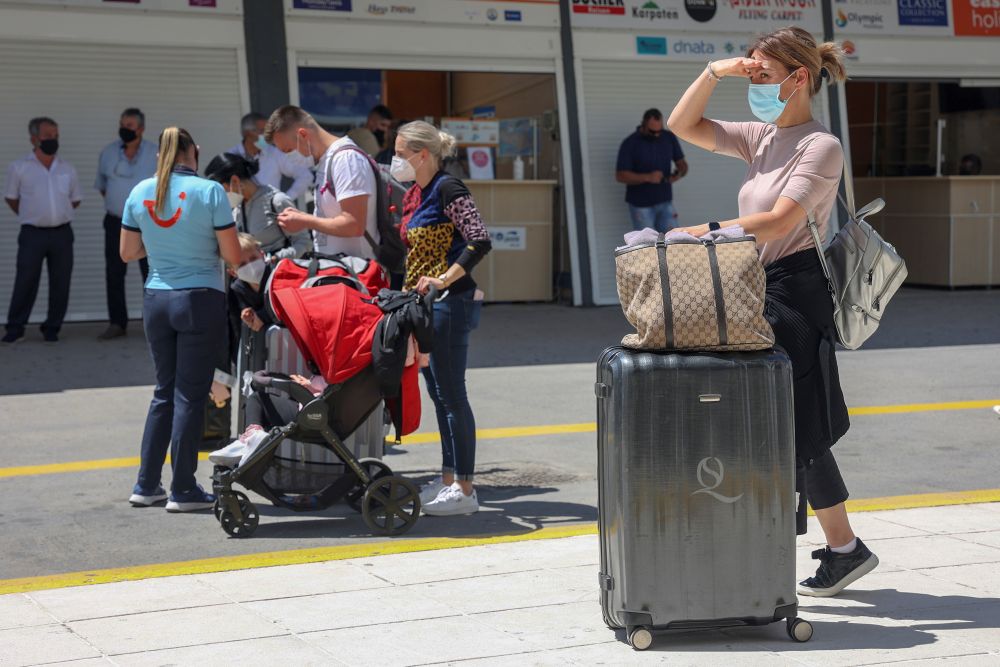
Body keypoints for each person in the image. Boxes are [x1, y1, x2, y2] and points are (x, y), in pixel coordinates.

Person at [667, 27, 878, 597]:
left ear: (798, 77)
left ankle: (842, 548)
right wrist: (716, 71)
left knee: (799, 424)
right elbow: (681, 127)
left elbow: (782, 220)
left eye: (761, 75)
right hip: (759, 287)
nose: (753, 84)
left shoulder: (820, 147)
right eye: (752, 74)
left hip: (797, 292)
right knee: (782, 425)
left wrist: (702, 232)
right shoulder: (760, 138)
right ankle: (838, 547)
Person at [121, 127, 241, 512]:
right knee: (190, 395)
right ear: (195, 151)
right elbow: (233, 256)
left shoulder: (140, 191)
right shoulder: (211, 192)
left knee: (163, 392)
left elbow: (127, 252)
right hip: (200, 299)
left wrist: (161, 247)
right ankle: (184, 488)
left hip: (156, 299)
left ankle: (146, 484)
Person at [392, 121, 492, 516]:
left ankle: (465, 489)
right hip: (424, 307)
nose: (395, 160)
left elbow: (479, 239)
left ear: (422, 154)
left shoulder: (448, 187)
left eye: (400, 153)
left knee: (453, 395)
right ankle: (450, 477)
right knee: (437, 394)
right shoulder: (416, 193)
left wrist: (445, 278)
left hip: (450, 303)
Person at [3, 117, 81, 344]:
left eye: (56, 135)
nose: (53, 140)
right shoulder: (19, 168)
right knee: (25, 280)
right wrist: (34, 215)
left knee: (61, 282)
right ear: (34, 138)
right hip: (32, 234)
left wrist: (56, 214)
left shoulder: (67, 168)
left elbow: (74, 200)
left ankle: (52, 327)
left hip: (62, 234)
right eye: (48, 136)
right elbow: (11, 199)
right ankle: (15, 328)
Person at [263, 105, 379, 258]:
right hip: (340, 272)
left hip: (358, 273)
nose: (288, 158)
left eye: (288, 150)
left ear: (303, 135)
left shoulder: (345, 160)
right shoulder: (326, 161)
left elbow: (354, 225)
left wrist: (305, 220)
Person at [94, 107, 157, 340]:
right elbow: (103, 186)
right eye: (122, 124)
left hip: (148, 222)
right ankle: (117, 323)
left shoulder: (155, 152)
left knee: (151, 272)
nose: (124, 129)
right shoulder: (108, 152)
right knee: (114, 272)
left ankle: (153, 322)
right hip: (115, 222)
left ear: (141, 128)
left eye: (129, 125)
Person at [204, 152, 311, 262]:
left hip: (281, 275)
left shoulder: (276, 202)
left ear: (235, 181)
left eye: (221, 191)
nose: (220, 198)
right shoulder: (236, 211)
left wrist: (275, 259)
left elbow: (304, 243)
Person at [616, 108, 689, 232]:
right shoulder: (630, 143)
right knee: (648, 245)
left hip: (665, 201)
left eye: (659, 131)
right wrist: (648, 177)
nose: (656, 134)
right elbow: (620, 175)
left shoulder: (668, 138)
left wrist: (678, 174)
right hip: (641, 205)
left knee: (674, 240)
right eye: (652, 131)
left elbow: (682, 164)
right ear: (643, 124)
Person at [228, 112, 313, 201]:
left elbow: (305, 175)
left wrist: (286, 199)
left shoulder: (274, 153)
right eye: (262, 131)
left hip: (271, 213)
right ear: (247, 134)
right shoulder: (230, 157)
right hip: (242, 212)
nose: (267, 135)